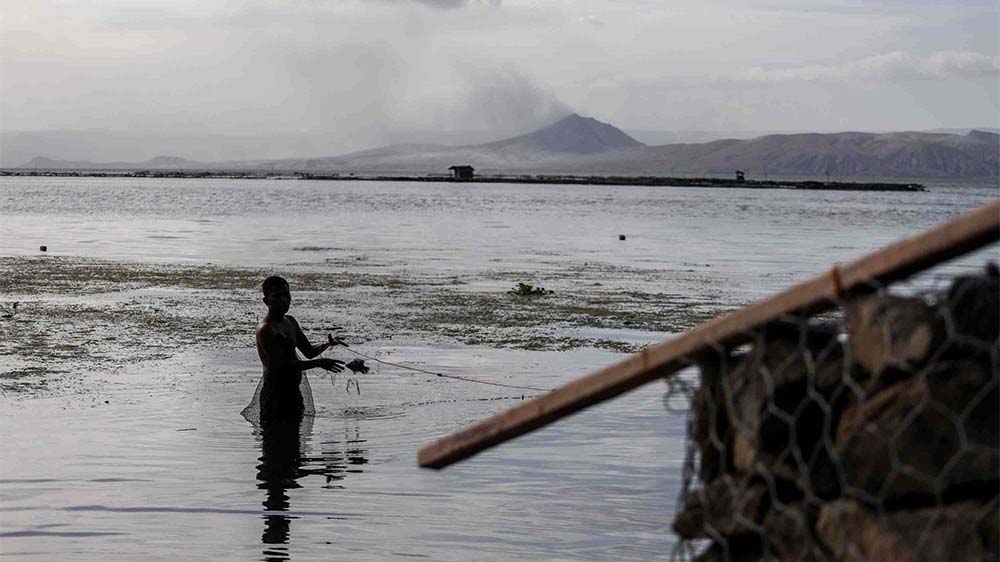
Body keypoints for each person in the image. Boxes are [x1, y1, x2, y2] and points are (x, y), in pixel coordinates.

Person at [255, 275, 345, 423]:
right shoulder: (265, 329)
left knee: (293, 443)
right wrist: (320, 363)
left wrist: (328, 344)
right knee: (275, 442)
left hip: (294, 394)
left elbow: (309, 352)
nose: (284, 300)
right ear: (267, 301)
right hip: (274, 396)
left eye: (286, 295)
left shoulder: (290, 321)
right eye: (278, 296)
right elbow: (283, 365)